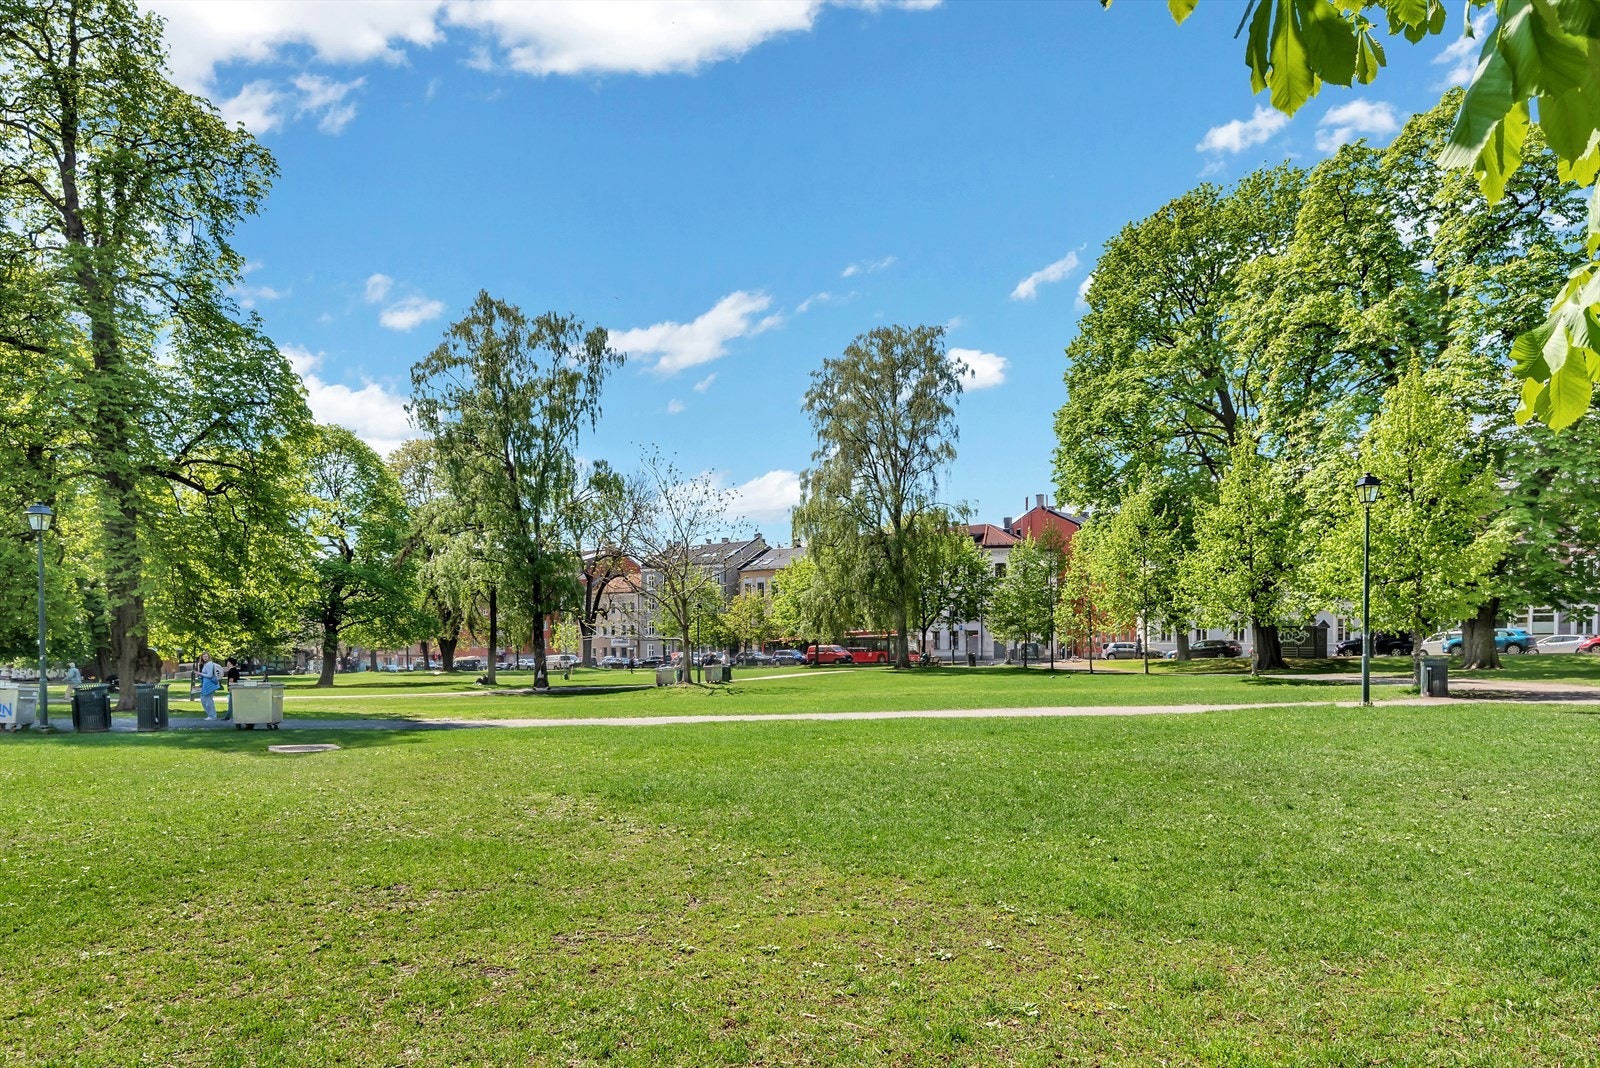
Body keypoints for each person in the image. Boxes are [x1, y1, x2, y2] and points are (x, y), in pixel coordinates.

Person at [197, 653, 222, 721]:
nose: (205, 658)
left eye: (206, 656)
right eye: (203, 656)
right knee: (204, 700)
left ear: (208, 657)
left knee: (208, 700)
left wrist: (200, 673)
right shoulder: (204, 665)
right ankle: (210, 715)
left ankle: (212, 715)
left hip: (209, 684)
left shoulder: (209, 664)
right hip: (205, 684)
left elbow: (209, 675)